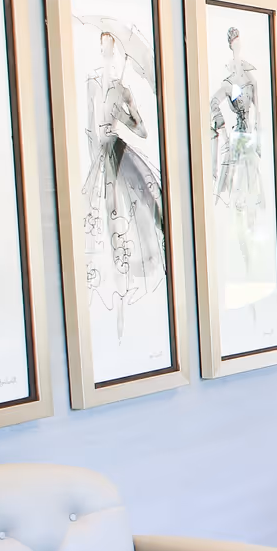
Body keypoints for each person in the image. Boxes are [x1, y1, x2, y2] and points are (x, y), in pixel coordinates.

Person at [82, 29, 164, 339]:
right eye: (103, 48)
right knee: (109, 218)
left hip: (119, 150)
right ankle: (114, 288)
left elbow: (142, 130)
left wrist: (124, 114)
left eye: (111, 50)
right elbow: (88, 127)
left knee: (137, 208)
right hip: (102, 157)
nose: (107, 55)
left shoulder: (122, 89)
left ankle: (132, 283)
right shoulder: (92, 84)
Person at [208, 26, 265, 268]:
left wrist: (259, 138)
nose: (238, 46)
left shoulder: (250, 78)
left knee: (252, 192)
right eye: (235, 42)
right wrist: (221, 128)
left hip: (250, 138)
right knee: (240, 196)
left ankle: (252, 250)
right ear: (231, 45)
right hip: (239, 138)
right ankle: (245, 255)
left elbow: (259, 109)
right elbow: (213, 102)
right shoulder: (230, 82)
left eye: (240, 42)